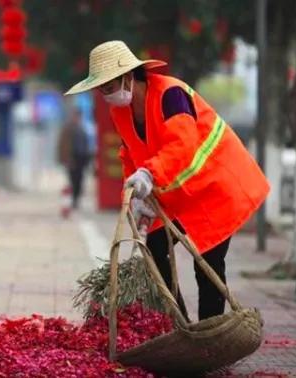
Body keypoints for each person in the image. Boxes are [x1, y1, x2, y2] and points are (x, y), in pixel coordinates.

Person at [65, 41, 269, 320]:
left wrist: (149, 174)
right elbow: (130, 154)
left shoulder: (171, 94)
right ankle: (179, 324)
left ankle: (210, 335)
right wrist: (138, 195)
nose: (106, 94)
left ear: (127, 77)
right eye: (102, 89)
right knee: (155, 251)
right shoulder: (120, 112)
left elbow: (181, 146)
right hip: (178, 195)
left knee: (208, 264)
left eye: (108, 87)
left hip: (216, 189)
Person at [57, 108, 91, 210]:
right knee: (73, 180)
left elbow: (86, 144)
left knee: (79, 180)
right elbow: (62, 145)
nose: (77, 118)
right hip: (72, 158)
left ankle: (76, 199)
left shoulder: (82, 129)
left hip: (81, 159)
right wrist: (65, 159)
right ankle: (73, 200)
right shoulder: (68, 129)